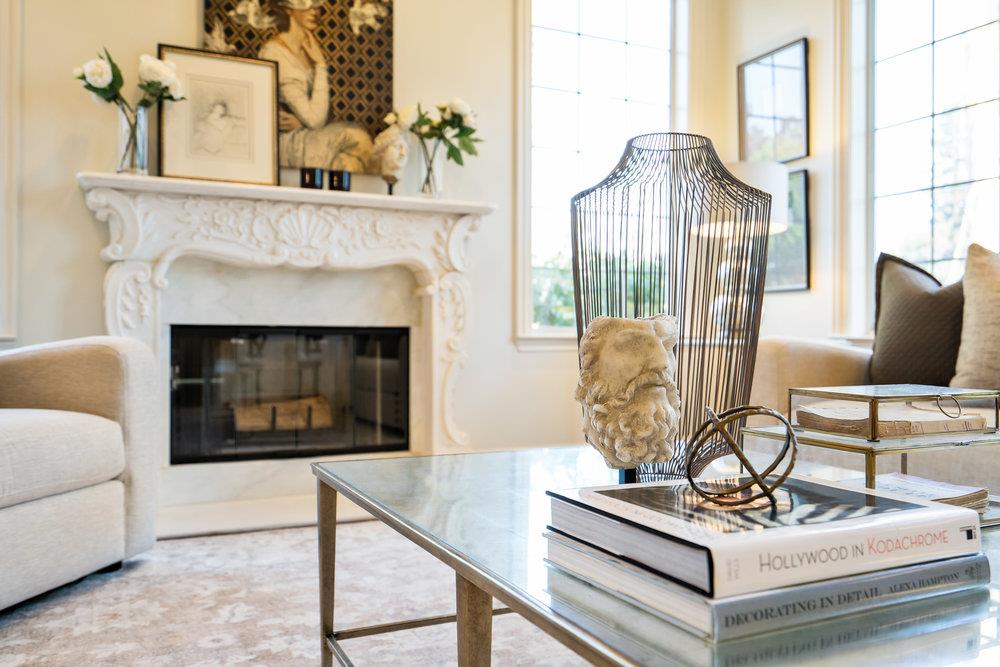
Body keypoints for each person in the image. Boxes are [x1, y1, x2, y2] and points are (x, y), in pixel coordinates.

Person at [259, 0, 373, 171]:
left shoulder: (308, 49)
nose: (314, 11)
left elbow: (320, 114)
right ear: (289, 9)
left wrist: (302, 122)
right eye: (306, 5)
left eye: (316, 5)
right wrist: (320, 65)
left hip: (307, 134)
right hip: (291, 143)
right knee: (357, 137)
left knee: (348, 160)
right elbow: (314, 120)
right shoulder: (275, 52)